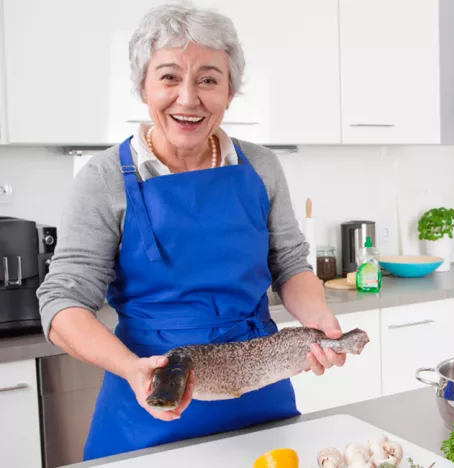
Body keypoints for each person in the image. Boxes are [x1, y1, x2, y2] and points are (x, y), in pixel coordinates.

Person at [36, 3, 346, 461]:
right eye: (168, 77)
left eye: (207, 79)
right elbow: (61, 300)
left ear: (229, 91)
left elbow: (289, 264)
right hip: (154, 397)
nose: (188, 98)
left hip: (260, 393)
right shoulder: (103, 179)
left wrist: (318, 322)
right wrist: (135, 370)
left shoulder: (261, 166)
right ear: (143, 87)